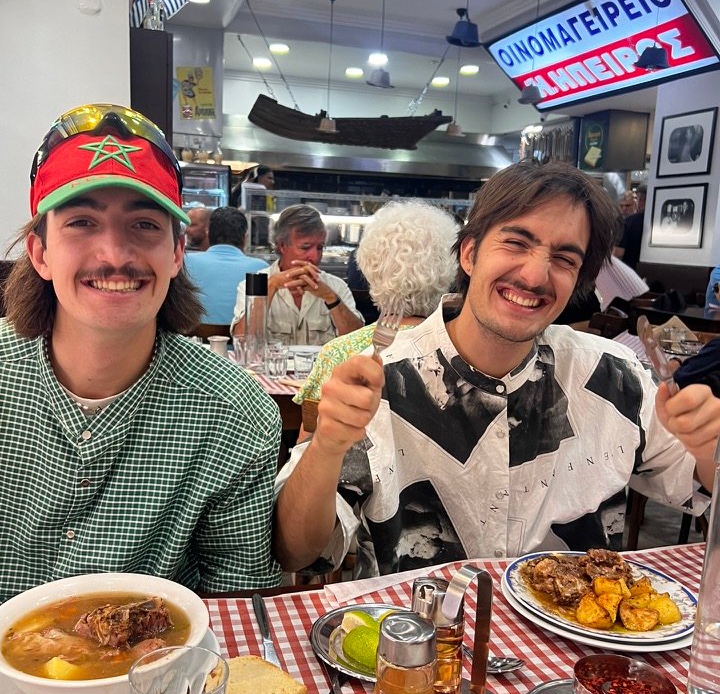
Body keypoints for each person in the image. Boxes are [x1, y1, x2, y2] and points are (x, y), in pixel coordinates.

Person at [273, 160, 720, 579]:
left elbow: (699, 482)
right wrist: (326, 445)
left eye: (564, 259)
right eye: (516, 243)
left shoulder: (613, 374)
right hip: (418, 630)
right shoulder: (381, 380)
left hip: (580, 633)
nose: (536, 276)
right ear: (469, 254)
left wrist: (707, 448)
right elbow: (297, 552)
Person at [0, 103, 282, 611]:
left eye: (144, 224)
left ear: (177, 253)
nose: (114, 255)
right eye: (82, 222)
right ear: (40, 253)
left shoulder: (234, 411)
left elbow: (238, 599)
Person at [294, 200, 458, 408]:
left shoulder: (337, 353)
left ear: (369, 269)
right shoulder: (462, 355)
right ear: (451, 270)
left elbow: (309, 426)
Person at [232, 204, 363, 345]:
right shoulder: (252, 286)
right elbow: (242, 342)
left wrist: (330, 297)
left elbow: (358, 343)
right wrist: (270, 286)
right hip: (273, 360)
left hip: (323, 361)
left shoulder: (336, 286)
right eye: (305, 248)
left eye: (320, 248)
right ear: (282, 246)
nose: (314, 256)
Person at [184, 207, 267, 324]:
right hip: (241, 335)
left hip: (191, 335)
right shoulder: (261, 269)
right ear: (245, 238)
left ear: (208, 233)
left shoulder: (185, 262)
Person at [614, 188, 646, 269]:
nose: (624, 209)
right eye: (621, 206)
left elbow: (618, 252)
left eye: (628, 205)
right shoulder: (615, 222)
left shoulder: (642, 220)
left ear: (634, 205)